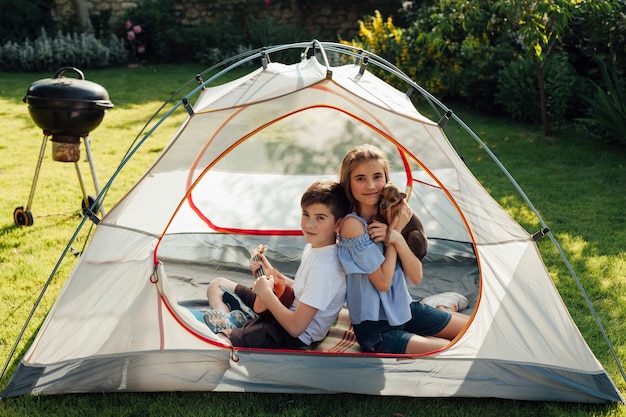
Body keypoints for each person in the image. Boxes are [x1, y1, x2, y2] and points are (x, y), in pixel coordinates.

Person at [337, 144, 470, 354]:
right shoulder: (352, 226)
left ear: (387, 178)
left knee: (475, 330)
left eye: (377, 176)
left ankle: (439, 307)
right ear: (348, 183)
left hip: (404, 311)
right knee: (456, 350)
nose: (371, 185)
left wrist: (396, 237)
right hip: (377, 330)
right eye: (360, 178)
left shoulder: (394, 214)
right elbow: (382, 282)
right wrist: (394, 234)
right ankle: (439, 310)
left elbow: (416, 277)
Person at [203, 179, 351, 349]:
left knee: (219, 343)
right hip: (285, 305)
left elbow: (296, 328)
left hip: (289, 334)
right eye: (306, 214)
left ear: (338, 224)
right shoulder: (315, 246)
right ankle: (231, 322)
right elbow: (302, 288)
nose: (309, 224)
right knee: (218, 285)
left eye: (320, 218)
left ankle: (232, 328)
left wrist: (266, 294)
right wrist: (271, 272)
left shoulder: (326, 268)